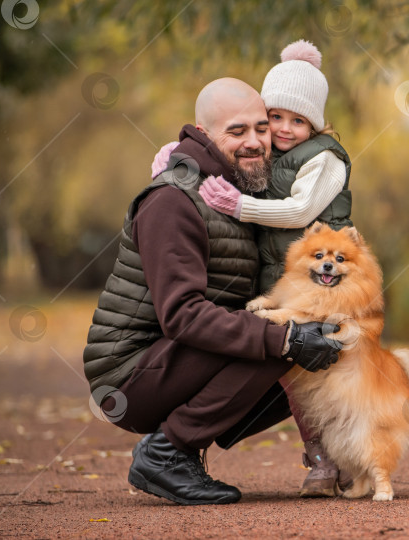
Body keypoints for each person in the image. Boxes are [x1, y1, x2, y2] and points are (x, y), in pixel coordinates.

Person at [83, 77, 342, 506]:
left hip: (172, 358)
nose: (255, 141)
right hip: (126, 375)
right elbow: (182, 315)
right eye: (236, 131)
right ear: (202, 135)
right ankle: (166, 453)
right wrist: (285, 337)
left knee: (318, 346)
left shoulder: (239, 194)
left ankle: (334, 455)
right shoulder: (172, 200)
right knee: (280, 338)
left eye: (262, 128)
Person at [151, 41, 353, 498]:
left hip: (319, 279)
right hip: (279, 281)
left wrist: (239, 205)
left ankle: (348, 450)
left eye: (294, 121)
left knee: (319, 362)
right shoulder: (267, 156)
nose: (279, 130)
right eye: (273, 117)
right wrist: (173, 158)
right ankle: (321, 456)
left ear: (316, 125)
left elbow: (299, 210)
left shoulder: (324, 158)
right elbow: (212, 156)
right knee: (290, 363)